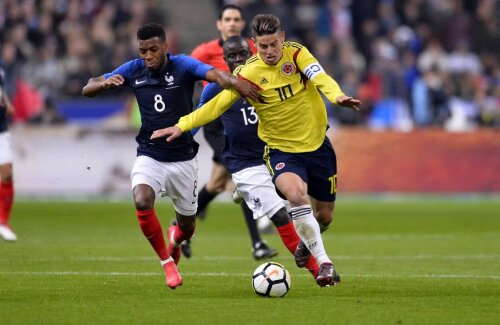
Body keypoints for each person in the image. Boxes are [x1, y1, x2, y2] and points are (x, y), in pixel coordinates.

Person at [151, 14, 361, 287]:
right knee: (296, 196)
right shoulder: (247, 74)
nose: (269, 52)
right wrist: (182, 125)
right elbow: (215, 106)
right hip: (280, 151)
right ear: (255, 45)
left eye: (273, 44)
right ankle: (324, 264)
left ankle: (307, 245)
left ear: (282, 38)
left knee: (324, 216)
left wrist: (337, 96)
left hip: (318, 147)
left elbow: (320, 78)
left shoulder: (297, 55)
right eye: (263, 47)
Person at [82, 23, 258, 289]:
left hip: (184, 159)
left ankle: (175, 239)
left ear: (166, 46)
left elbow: (215, 75)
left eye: (153, 49)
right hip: (149, 154)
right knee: (142, 201)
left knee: (187, 227)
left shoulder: (183, 65)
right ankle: (167, 264)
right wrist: (103, 83)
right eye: (143, 51)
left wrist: (237, 82)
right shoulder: (133, 69)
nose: (148, 56)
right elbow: (88, 87)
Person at [198, 35, 320, 278]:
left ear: (250, 52)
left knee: (304, 205)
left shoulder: (267, 78)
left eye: (241, 54)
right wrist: (223, 154)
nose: (237, 59)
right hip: (245, 164)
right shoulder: (216, 88)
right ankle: (318, 271)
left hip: (273, 155)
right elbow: (203, 121)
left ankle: (240, 195)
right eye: (231, 56)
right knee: (280, 214)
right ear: (225, 60)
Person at [186, 4, 276, 260]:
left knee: (215, 184)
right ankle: (258, 242)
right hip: (218, 121)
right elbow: (187, 75)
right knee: (245, 172)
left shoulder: (252, 47)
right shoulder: (204, 51)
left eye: (237, 19)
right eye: (228, 19)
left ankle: (180, 225)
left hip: (247, 115)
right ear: (219, 24)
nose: (232, 23)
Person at [0, 61, 16, 242]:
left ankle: (3, 221)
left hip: (1, 128)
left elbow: (2, 89)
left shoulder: (1, 68)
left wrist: (7, 102)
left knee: (6, 172)